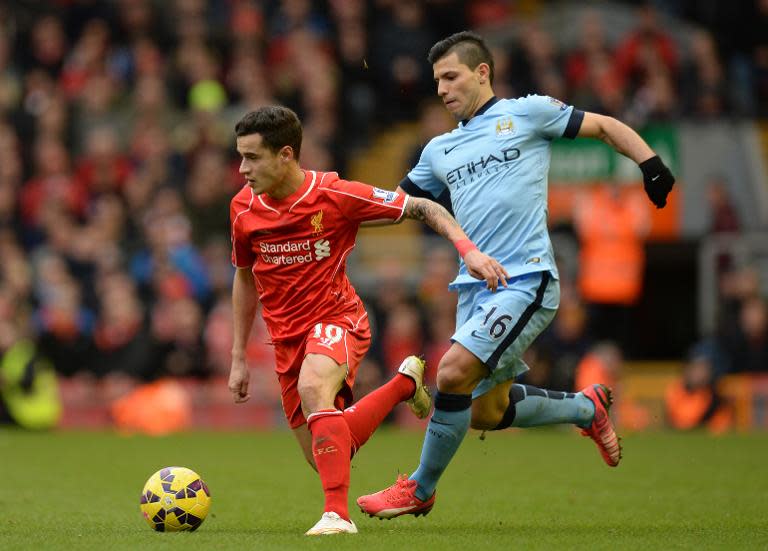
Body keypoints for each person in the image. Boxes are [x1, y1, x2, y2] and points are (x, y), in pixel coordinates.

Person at [357, 31, 675, 519]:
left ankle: (420, 488)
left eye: (451, 76)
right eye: (436, 80)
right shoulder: (439, 150)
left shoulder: (526, 113)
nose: (441, 89)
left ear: (482, 73)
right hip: (474, 288)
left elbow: (607, 127)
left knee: (452, 372)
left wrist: (650, 163)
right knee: (484, 410)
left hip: (525, 279)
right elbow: (396, 205)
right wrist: (329, 207)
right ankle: (586, 409)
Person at [227, 106, 507, 535]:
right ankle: (404, 385)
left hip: (337, 319)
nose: (243, 169)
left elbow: (423, 208)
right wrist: (238, 355)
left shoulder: (335, 195)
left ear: (286, 154)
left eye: (252, 157)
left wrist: (467, 251)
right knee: (328, 448)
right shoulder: (244, 209)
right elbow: (244, 278)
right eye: (240, 157)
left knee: (313, 387)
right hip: (285, 340)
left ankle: (336, 517)